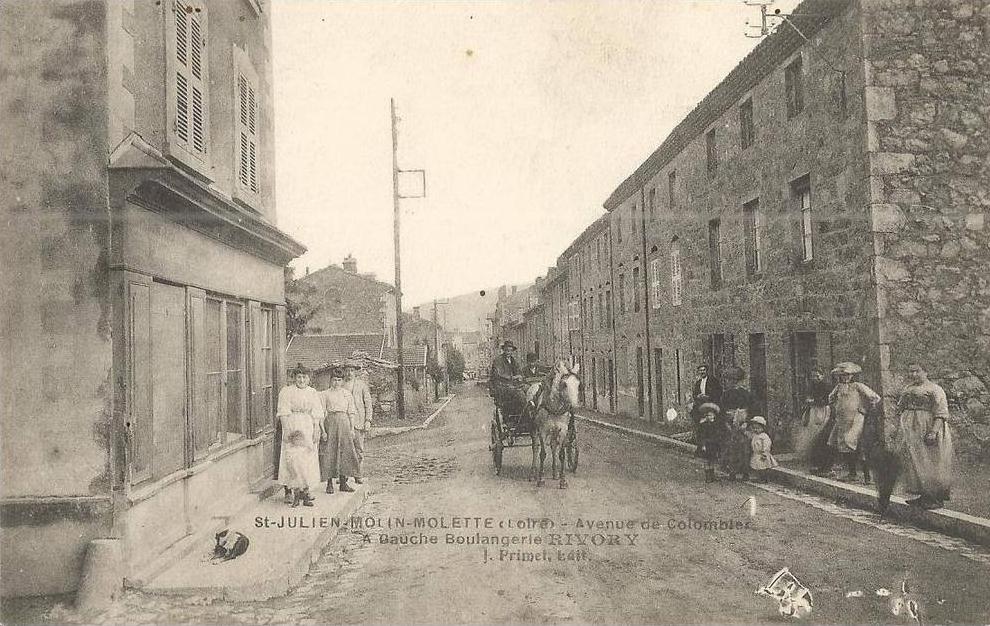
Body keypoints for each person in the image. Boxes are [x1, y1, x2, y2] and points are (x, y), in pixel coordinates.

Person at [896, 363, 954, 510]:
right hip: (912, 430)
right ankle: (924, 495)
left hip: (928, 426)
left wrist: (933, 432)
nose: (913, 375)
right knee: (916, 462)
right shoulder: (908, 388)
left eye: (917, 371)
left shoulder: (935, 389)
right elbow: (901, 406)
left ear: (926, 372)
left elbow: (941, 412)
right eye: (911, 372)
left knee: (930, 462)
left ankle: (935, 498)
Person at [275, 364, 323, 507]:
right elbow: (283, 412)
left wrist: (316, 429)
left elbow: (317, 412)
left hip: (308, 425)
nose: (301, 380)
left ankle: (305, 490)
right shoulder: (286, 391)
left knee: (307, 458)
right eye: (299, 377)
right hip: (292, 424)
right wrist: (286, 431)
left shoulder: (312, 392)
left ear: (309, 379)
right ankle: (289, 491)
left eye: (304, 377)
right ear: (294, 378)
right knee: (292, 458)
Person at [827, 362, 881, 482]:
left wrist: (864, 408)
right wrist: (836, 407)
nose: (845, 377)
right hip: (842, 420)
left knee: (855, 443)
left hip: (856, 420)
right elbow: (830, 398)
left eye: (848, 375)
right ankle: (852, 473)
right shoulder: (838, 387)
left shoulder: (858, 386)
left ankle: (867, 476)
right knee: (845, 446)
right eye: (842, 375)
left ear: (852, 375)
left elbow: (875, 397)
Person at [319, 367, 361, 494]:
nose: (336, 382)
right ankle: (329, 483)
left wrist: (352, 428)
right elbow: (321, 413)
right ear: (330, 380)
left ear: (342, 381)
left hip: (344, 423)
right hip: (330, 423)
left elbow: (351, 412)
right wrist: (323, 431)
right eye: (334, 380)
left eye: (339, 380)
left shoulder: (347, 394)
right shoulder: (325, 394)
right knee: (330, 452)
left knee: (345, 452)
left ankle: (343, 483)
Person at [794, 368, 834, 473]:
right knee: (812, 434)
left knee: (821, 434)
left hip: (823, 410)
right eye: (813, 376)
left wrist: (815, 400)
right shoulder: (811, 386)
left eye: (817, 376)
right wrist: (809, 401)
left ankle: (824, 463)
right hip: (814, 411)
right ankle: (815, 461)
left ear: (822, 375)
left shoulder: (827, 386)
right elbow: (806, 398)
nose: (815, 378)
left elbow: (828, 400)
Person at [718, 366, 753, 481]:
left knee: (744, 448)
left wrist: (746, 423)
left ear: (736, 380)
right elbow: (722, 411)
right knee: (731, 449)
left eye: (729, 380)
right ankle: (732, 472)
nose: (727, 382)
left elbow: (751, 409)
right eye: (727, 380)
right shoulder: (725, 395)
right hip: (730, 424)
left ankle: (745, 472)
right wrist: (726, 424)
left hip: (743, 424)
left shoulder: (745, 394)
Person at [344, 359, 374, 485]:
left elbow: (368, 404)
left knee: (359, 450)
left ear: (355, 372)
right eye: (347, 370)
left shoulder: (361, 385)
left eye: (352, 370)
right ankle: (344, 476)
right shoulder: (341, 385)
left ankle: (358, 474)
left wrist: (368, 420)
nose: (349, 373)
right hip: (345, 421)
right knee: (345, 449)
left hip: (358, 422)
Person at [695, 401, 722, 483]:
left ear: (714, 415)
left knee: (712, 460)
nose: (708, 417)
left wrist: (718, 444)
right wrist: (703, 445)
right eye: (707, 415)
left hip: (714, 444)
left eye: (710, 415)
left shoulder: (716, 425)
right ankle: (708, 477)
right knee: (706, 460)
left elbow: (718, 434)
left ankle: (712, 475)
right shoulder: (704, 425)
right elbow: (701, 435)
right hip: (706, 444)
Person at [748, 416, 778, 483]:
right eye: (754, 428)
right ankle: (759, 478)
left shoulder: (764, 436)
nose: (756, 430)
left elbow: (767, 444)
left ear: (763, 428)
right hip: (756, 454)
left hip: (762, 454)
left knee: (763, 467)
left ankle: (764, 478)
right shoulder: (755, 435)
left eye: (758, 428)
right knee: (757, 467)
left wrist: (764, 453)